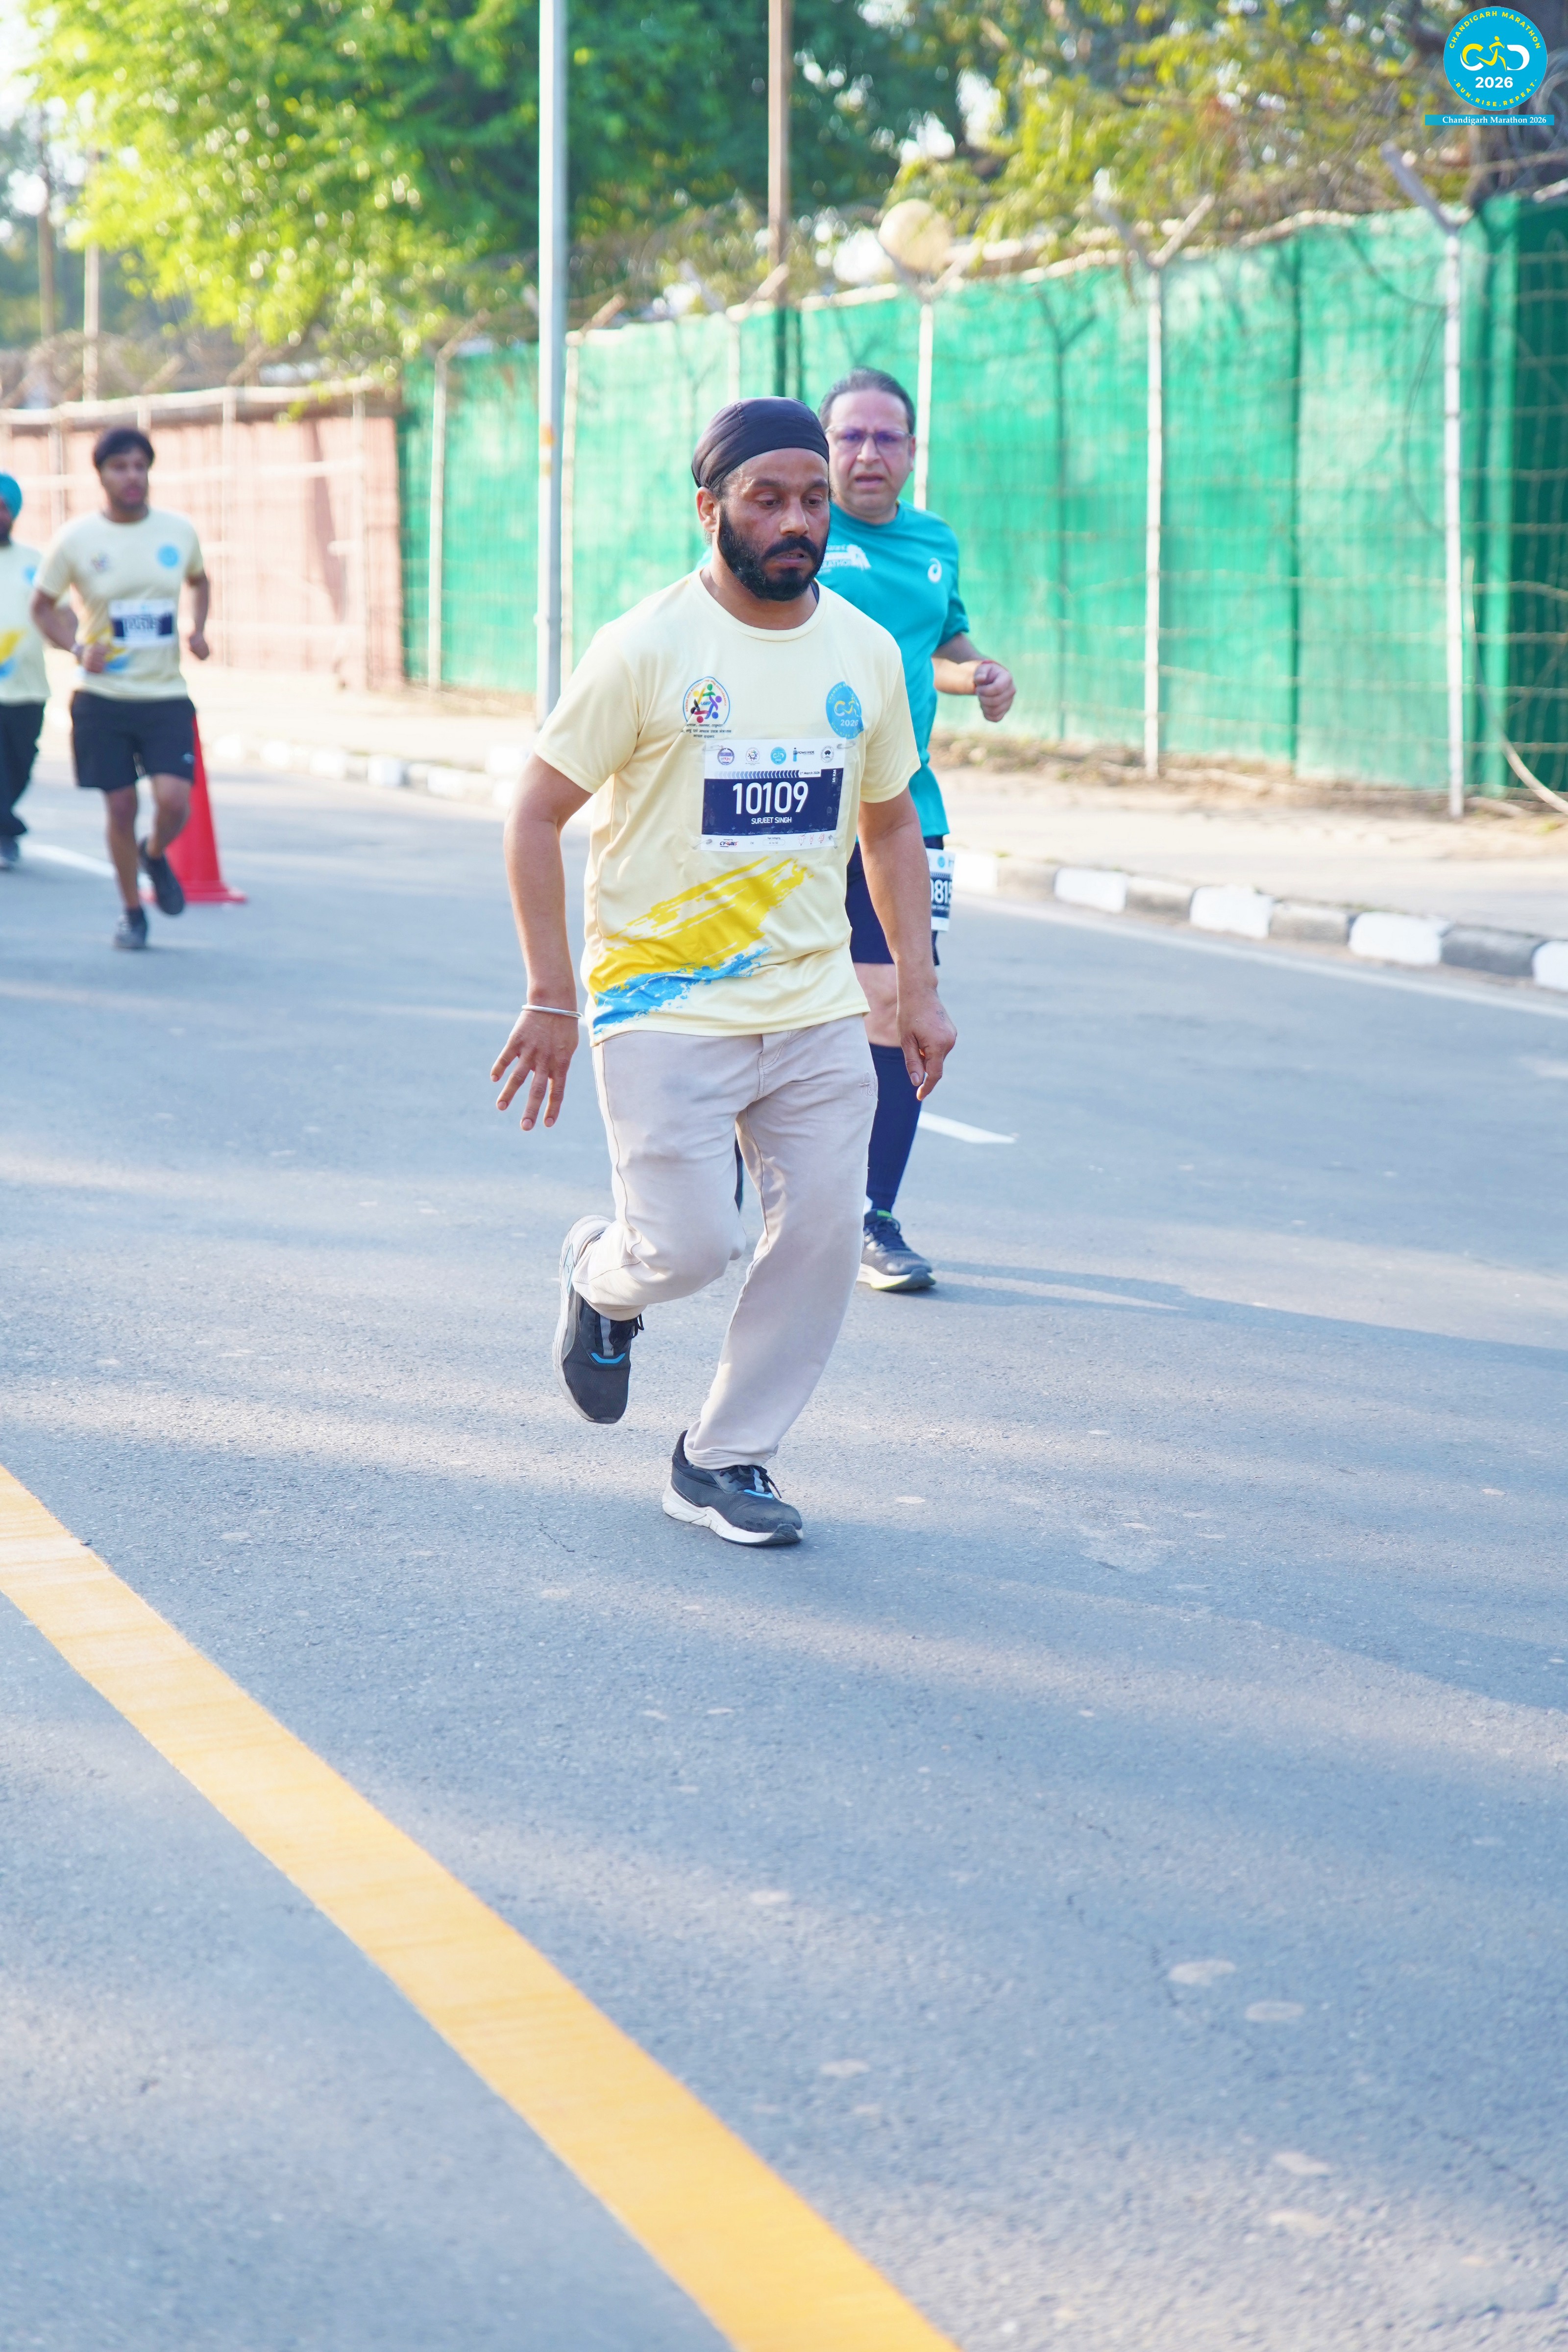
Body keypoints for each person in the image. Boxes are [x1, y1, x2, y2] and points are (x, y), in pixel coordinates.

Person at [490, 396, 956, 1547]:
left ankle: (723, 1456)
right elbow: (535, 811)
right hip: (663, 1002)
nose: (797, 521)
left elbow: (891, 823)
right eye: (768, 499)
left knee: (826, 1235)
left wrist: (918, 985)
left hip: (811, 1001)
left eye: (812, 500)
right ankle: (601, 1281)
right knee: (689, 1247)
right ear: (711, 509)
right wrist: (551, 995)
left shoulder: (860, 650)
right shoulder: (646, 647)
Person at [818, 367, 1016, 1293]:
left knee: (898, 1003)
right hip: (797, 804)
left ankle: (872, 1215)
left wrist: (980, 675)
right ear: (824, 445)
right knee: (775, 999)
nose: (867, 454)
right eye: (850, 436)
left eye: (885, 437)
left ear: (910, 450)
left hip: (906, 811)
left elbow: (939, 641)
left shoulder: (935, 543)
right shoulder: (797, 530)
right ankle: (750, 1176)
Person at [31, 426, 210, 950]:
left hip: (165, 694)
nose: (132, 477)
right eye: (120, 467)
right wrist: (75, 647)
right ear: (102, 476)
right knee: (120, 808)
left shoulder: (178, 531)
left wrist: (198, 630)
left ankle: (154, 853)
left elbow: (200, 580)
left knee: (174, 800)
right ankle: (133, 912)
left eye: (139, 466)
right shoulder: (76, 539)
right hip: (103, 699)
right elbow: (41, 607)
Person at [0, 474, 48, 871]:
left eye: (3, 507)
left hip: (28, 687)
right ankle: (6, 831)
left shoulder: (36, 563)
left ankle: (6, 821)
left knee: (19, 762)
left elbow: (58, 614)